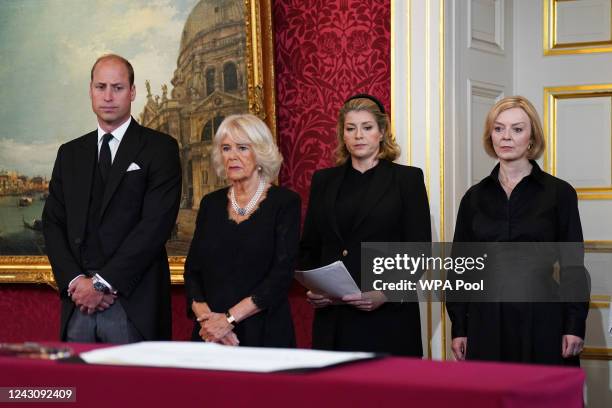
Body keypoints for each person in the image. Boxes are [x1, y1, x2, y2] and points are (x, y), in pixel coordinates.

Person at [42, 54, 182, 343]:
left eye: (117, 88)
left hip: (132, 302)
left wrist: (102, 284)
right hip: (77, 302)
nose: (108, 96)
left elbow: (155, 226)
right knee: (75, 388)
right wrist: (76, 283)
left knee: (134, 389)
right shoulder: (69, 153)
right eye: (101, 87)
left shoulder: (160, 148)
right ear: (90, 91)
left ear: (132, 92)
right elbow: (53, 223)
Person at [446, 96, 589, 365]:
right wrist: (459, 329)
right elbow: (460, 267)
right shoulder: (473, 198)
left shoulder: (559, 193)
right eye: (498, 128)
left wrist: (574, 323)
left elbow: (573, 265)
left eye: (517, 129)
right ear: (490, 135)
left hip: (543, 318)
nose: (506, 137)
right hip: (485, 321)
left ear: (532, 137)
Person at [299, 94, 431, 356]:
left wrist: (384, 294)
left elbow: (420, 252)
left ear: (382, 132)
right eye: (351, 128)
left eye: (367, 127)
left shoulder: (407, 179)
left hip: (389, 319)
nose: (358, 135)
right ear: (343, 135)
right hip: (334, 319)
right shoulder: (324, 181)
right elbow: (309, 247)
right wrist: (314, 288)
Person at [184, 114, 299, 347]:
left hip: (264, 332)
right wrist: (209, 322)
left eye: (242, 148)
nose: (232, 156)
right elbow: (192, 271)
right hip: (210, 336)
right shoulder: (210, 203)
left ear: (260, 153)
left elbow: (281, 275)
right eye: (226, 148)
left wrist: (228, 320)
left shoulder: (285, 203)